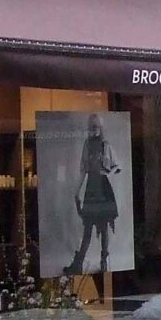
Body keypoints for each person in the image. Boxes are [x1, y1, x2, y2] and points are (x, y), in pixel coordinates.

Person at [65, 114, 120, 275]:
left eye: (97, 126)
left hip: (103, 189)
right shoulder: (87, 145)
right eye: (92, 126)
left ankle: (103, 262)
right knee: (88, 228)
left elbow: (117, 166)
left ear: (101, 128)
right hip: (91, 189)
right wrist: (76, 190)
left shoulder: (105, 145)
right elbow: (83, 170)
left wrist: (107, 174)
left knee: (104, 227)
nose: (94, 129)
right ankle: (78, 263)